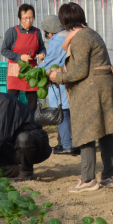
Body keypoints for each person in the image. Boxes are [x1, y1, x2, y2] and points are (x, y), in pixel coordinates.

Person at [49, 3, 113, 193]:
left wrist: (57, 77)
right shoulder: (90, 32)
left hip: (93, 91)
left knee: (86, 132)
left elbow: (81, 71)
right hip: (102, 87)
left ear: (65, 21)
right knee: (105, 133)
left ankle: (88, 179)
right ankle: (108, 177)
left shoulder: (81, 38)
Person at [38, 15, 78, 155]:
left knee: (62, 113)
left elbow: (50, 63)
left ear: (49, 32)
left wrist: (36, 68)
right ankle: (63, 143)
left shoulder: (56, 40)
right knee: (64, 113)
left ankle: (67, 145)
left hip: (59, 79)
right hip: (69, 78)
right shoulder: (67, 35)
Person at [0, 3, 46, 111]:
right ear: (19, 18)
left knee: (32, 101)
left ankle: (29, 124)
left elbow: (42, 48)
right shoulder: (12, 32)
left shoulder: (37, 32)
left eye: (31, 18)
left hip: (32, 70)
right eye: (25, 18)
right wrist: (20, 57)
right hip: (15, 69)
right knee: (11, 100)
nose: (28, 21)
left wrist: (42, 54)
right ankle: (11, 123)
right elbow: (4, 50)